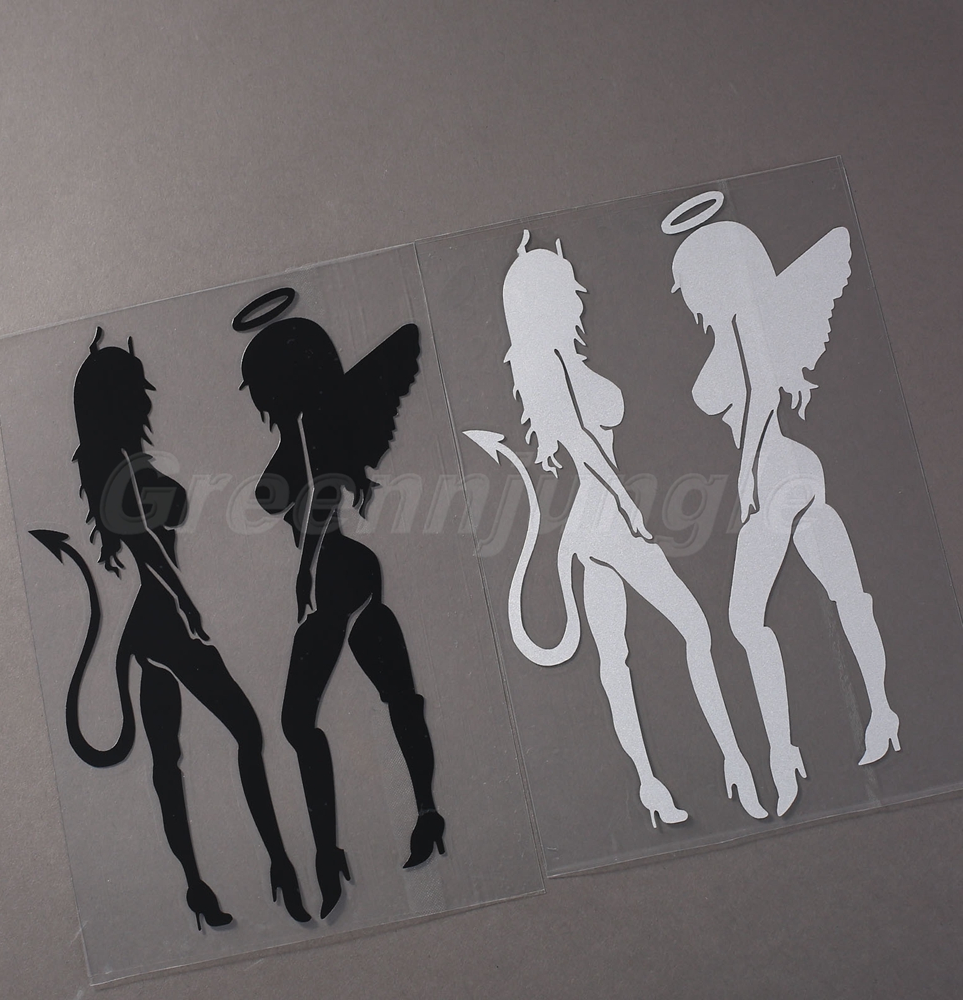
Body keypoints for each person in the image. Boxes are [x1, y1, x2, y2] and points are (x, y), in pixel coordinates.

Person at [468, 231, 766, 828]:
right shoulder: (551, 363)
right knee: (695, 630)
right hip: (607, 516)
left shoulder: (555, 361)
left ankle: (651, 785)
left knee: (616, 658)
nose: (575, 295)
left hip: (589, 523)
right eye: (565, 287)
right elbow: (584, 443)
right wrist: (630, 511)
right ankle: (734, 763)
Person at [68, 327, 310, 928]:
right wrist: (189, 608)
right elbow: (149, 549)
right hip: (166, 622)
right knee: (244, 732)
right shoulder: (121, 468)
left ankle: (199, 887)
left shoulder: (113, 465)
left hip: (147, 628)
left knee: (167, 761)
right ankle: (278, 865)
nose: (145, 400)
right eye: (135, 391)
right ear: (119, 400)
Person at [671, 220, 900, 816]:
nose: (688, 299)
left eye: (690, 284)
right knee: (847, 594)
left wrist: (746, 473)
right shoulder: (755, 320)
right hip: (800, 465)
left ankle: (783, 754)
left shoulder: (741, 323)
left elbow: (760, 398)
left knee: (745, 621)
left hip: (772, 473)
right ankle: (881, 711)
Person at [238, 305, 444, 919]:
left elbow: (321, 498)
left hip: (333, 579)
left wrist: (305, 574)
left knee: (306, 720)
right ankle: (420, 815)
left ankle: (336, 852)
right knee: (390, 697)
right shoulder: (309, 432)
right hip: (350, 574)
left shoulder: (311, 431)